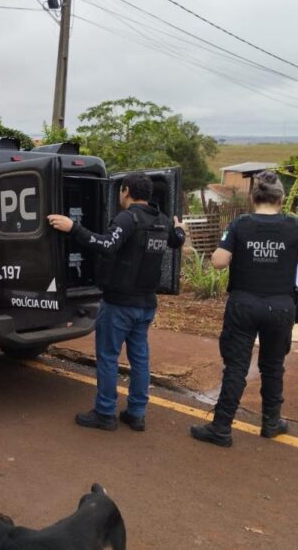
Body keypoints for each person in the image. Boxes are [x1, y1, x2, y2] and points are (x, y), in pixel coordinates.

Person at [48, 173, 186, 432]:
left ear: (125, 191)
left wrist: (72, 227)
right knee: (140, 359)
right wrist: (180, 228)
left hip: (120, 304)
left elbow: (106, 245)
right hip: (146, 304)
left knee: (109, 357)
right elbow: (177, 241)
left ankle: (105, 413)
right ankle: (136, 413)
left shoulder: (128, 218)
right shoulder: (162, 220)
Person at [190, 171, 298, 448]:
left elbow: (218, 262)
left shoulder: (240, 224)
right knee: (273, 366)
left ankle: (221, 427)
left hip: (243, 305)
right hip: (281, 306)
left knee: (236, 367)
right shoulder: (295, 226)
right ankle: (271, 422)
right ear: (281, 199)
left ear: (252, 197)